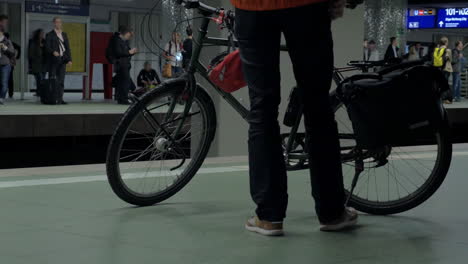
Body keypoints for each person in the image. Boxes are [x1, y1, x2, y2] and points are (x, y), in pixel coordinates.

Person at [233, 0, 358, 236]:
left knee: (262, 109)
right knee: (318, 106)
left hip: (251, 7)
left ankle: (269, 216)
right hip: (307, 7)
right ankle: (332, 213)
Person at [45, 17, 72, 105]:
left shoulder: (64, 34)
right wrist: (53, 52)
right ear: (54, 23)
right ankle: (52, 98)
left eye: (60, 22)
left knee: (61, 80)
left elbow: (67, 48)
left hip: (62, 60)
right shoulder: (49, 35)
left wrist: (69, 59)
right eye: (56, 22)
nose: (58, 24)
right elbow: (47, 47)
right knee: (52, 80)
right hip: (53, 61)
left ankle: (60, 99)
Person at [111, 25, 138, 105]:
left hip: (125, 64)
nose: (130, 37)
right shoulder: (116, 40)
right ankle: (124, 99)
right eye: (129, 35)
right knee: (124, 82)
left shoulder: (124, 42)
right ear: (126, 33)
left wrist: (131, 52)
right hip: (121, 65)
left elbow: (126, 52)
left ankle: (121, 98)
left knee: (123, 82)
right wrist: (129, 52)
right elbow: (118, 53)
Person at [29, 29, 46, 97]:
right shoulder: (33, 42)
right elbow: (31, 53)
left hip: (43, 63)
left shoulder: (45, 42)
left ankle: (40, 91)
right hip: (36, 63)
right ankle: (39, 92)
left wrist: (43, 47)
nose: (42, 35)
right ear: (38, 34)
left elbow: (47, 51)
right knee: (39, 78)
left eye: (43, 33)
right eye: (41, 33)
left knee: (42, 78)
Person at [0, 28, 15, 105]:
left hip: (5, 64)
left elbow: (12, 53)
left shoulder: (7, 41)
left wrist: (4, 48)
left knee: (4, 82)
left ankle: (1, 98)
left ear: (2, 33)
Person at [4, 33, 20, 99]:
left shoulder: (10, 43)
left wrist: (17, 57)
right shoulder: (11, 43)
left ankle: (9, 93)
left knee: (8, 79)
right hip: (9, 63)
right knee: (9, 79)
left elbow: (18, 47)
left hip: (9, 63)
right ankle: (10, 93)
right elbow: (19, 47)